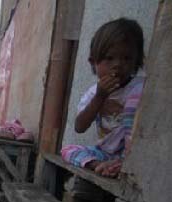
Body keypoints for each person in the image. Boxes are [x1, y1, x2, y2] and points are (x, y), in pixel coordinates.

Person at [61, 18, 145, 178]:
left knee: (138, 96)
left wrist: (129, 158)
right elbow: (80, 127)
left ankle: (122, 165)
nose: (118, 65)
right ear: (93, 63)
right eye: (109, 58)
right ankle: (99, 165)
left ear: (137, 61)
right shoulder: (94, 93)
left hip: (131, 156)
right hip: (104, 153)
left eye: (127, 58)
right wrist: (100, 97)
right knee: (68, 150)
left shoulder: (139, 88)